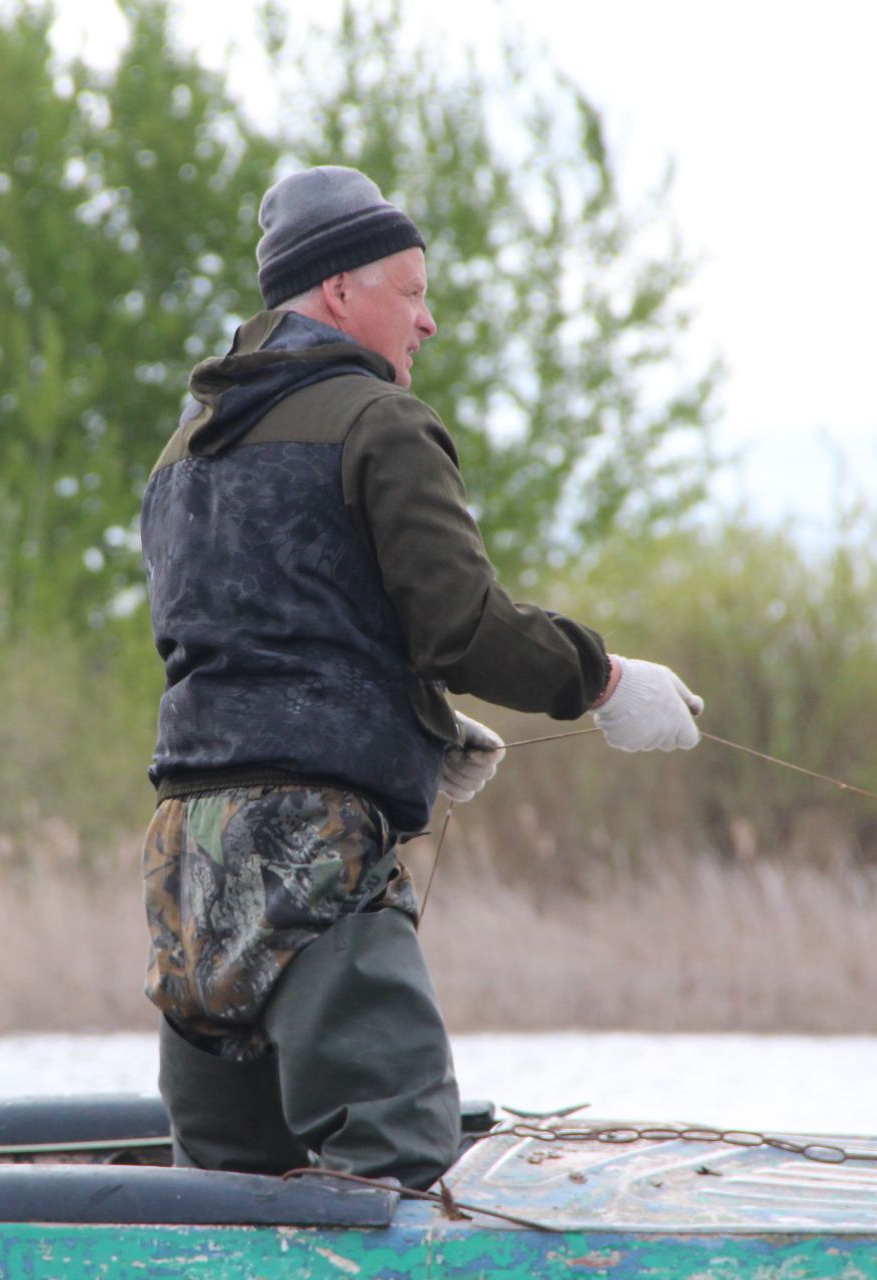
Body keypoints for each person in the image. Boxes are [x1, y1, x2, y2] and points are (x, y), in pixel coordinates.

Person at [137, 165, 703, 1190]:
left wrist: (417, 725)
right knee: (398, 1171)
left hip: (188, 863)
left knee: (221, 1191)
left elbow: (252, 646)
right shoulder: (379, 423)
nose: (428, 320)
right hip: (317, 853)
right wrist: (606, 680)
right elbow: (463, 629)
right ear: (340, 291)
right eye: (412, 288)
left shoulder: (183, 453)